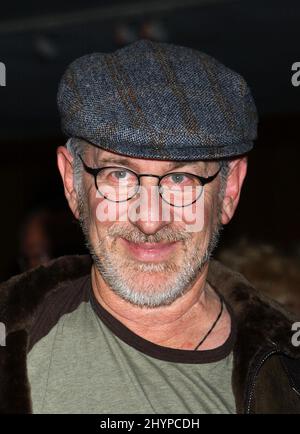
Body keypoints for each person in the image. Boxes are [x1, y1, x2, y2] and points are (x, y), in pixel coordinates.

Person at [0, 39, 299, 414]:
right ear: (73, 184)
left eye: (181, 180)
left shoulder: (290, 371)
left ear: (229, 189)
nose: (150, 219)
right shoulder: (11, 339)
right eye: (119, 175)